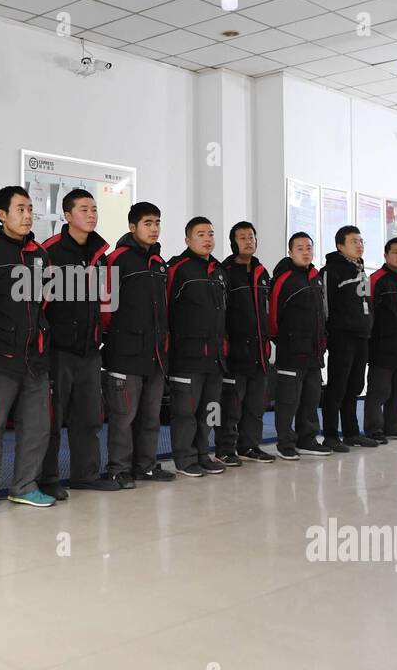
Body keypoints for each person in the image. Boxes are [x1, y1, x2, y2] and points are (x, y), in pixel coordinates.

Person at [0, 186, 55, 515]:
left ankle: (24, 486)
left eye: (30, 209)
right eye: (20, 209)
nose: (28, 215)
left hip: (34, 358)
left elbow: (44, 301)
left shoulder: (39, 254)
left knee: (36, 427)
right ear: (2, 215)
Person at [39, 188, 116, 496]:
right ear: (67, 216)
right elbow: (35, 301)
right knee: (52, 419)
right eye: (84, 209)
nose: (91, 214)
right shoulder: (49, 251)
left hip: (89, 350)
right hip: (57, 351)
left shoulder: (100, 255)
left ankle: (86, 474)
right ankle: (47, 479)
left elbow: (106, 302)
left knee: (89, 416)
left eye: (94, 209)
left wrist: (101, 335)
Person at [101, 202, 173, 487]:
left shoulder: (158, 263)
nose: (154, 228)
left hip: (155, 354)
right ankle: (119, 469)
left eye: (157, 222)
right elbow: (105, 308)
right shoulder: (116, 259)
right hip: (125, 354)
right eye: (147, 223)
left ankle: (146, 466)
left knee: (151, 416)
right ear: (132, 227)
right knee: (123, 417)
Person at [166, 217, 228, 477]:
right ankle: (185, 458)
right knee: (185, 412)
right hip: (187, 357)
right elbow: (165, 310)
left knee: (210, 411)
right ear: (188, 240)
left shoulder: (218, 270)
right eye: (201, 234)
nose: (207, 238)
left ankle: (203, 453)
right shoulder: (178, 269)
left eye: (211, 233)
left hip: (214, 357)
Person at [269, 232, 330, 461]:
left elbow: (322, 313)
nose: (306, 252)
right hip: (291, 352)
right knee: (288, 401)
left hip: (314, 353)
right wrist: (286, 340)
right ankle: (285, 442)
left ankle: (308, 439)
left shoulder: (315, 277)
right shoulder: (283, 279)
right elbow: (273, 319)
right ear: (290, 252)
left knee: (311, 399)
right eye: (300, 248)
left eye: (309, 248)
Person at [218, 221, 275, 465]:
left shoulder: (262, 272)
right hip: (235, 352)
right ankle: (225, 449)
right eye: (242, 237)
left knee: (255, 405)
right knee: (230, 406)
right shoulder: (225, 272)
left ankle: (249, 446)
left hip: (259, 352)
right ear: (233, 242)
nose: (248, 241)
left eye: (251, 236)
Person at [319, 225, 378, 451]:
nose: (360, 245)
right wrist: (328, 334)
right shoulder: (330, 271)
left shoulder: (360, 269)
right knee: (337, 387)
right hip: (341, 337)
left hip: (362, 336)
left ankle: (352, 433)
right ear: (340, 246)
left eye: (361, 241)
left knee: (355, 386)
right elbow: (325, 306)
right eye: (354, 241)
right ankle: (331, 435)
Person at [365, 237, 397, 444]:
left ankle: (394, 427)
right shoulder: (376, 279)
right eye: (395, 252)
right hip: (382, 346)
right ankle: (374, 428)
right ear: (386, 255)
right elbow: (369, 313)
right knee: (379, 391)